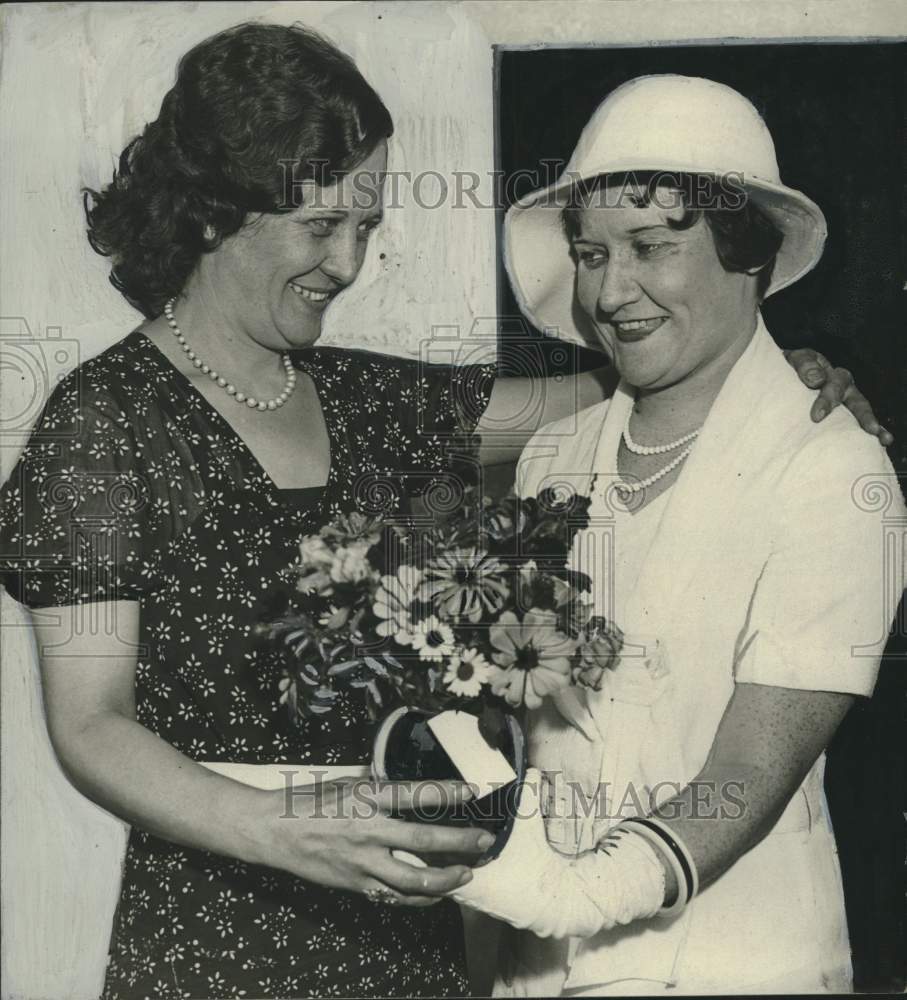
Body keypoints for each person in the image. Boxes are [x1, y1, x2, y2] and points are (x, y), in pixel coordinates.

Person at [0, 24, 888, 999]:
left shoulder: (371, 402)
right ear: (216, 213)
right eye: (320, 226)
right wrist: (282, 828)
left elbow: (636, 374)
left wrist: (785, 370)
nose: (348, 264)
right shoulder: (104, 421)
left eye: (368, 228)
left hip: (410, 940)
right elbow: (91, 725)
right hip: (226, 935)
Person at [450, 74, 906, 995]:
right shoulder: (551, 456)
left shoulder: (833, 470)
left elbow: (750, 768)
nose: (612, 291)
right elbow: (520, 721)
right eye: (588, 253)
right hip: (536, 963)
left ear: (746, 252)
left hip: (731, 959)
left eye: (650, 247)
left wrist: (573, 894)